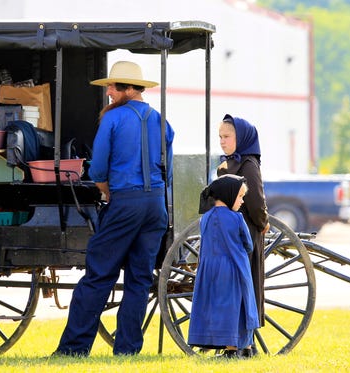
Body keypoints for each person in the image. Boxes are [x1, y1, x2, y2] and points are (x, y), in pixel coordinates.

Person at [53, 61, 174, 356]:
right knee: (139, 279)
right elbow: (167, 171)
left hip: (125, 203)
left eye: (113, 86)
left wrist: (106, 189)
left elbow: (97, 170)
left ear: (129, 89)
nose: (108, 92)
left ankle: (73, 348)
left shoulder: (113, 119)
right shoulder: (162, 122)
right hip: (156, 205)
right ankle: (127, 350)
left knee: (99, 274)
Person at [188, 174, 259, 358]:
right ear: (229, 195)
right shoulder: (236, 218)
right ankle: (236, 349)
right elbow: (248, 244)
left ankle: (223, 344)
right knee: (235, 308)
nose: (242, 201)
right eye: (240, 196)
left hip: (209, 269)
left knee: (217, 307)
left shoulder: (206, 218)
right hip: (233, 268)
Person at [216, 114, 270, 353]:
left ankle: (245, 343)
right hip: (229, 231)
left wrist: (263, 222)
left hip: (246, 232)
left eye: (227, 136)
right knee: (235, 285)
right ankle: (236, 342)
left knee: (244, 284)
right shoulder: (226, 163)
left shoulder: (248, 164)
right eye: (220, 137)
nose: (222, 141)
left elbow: (257, 201)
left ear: (242, 138)